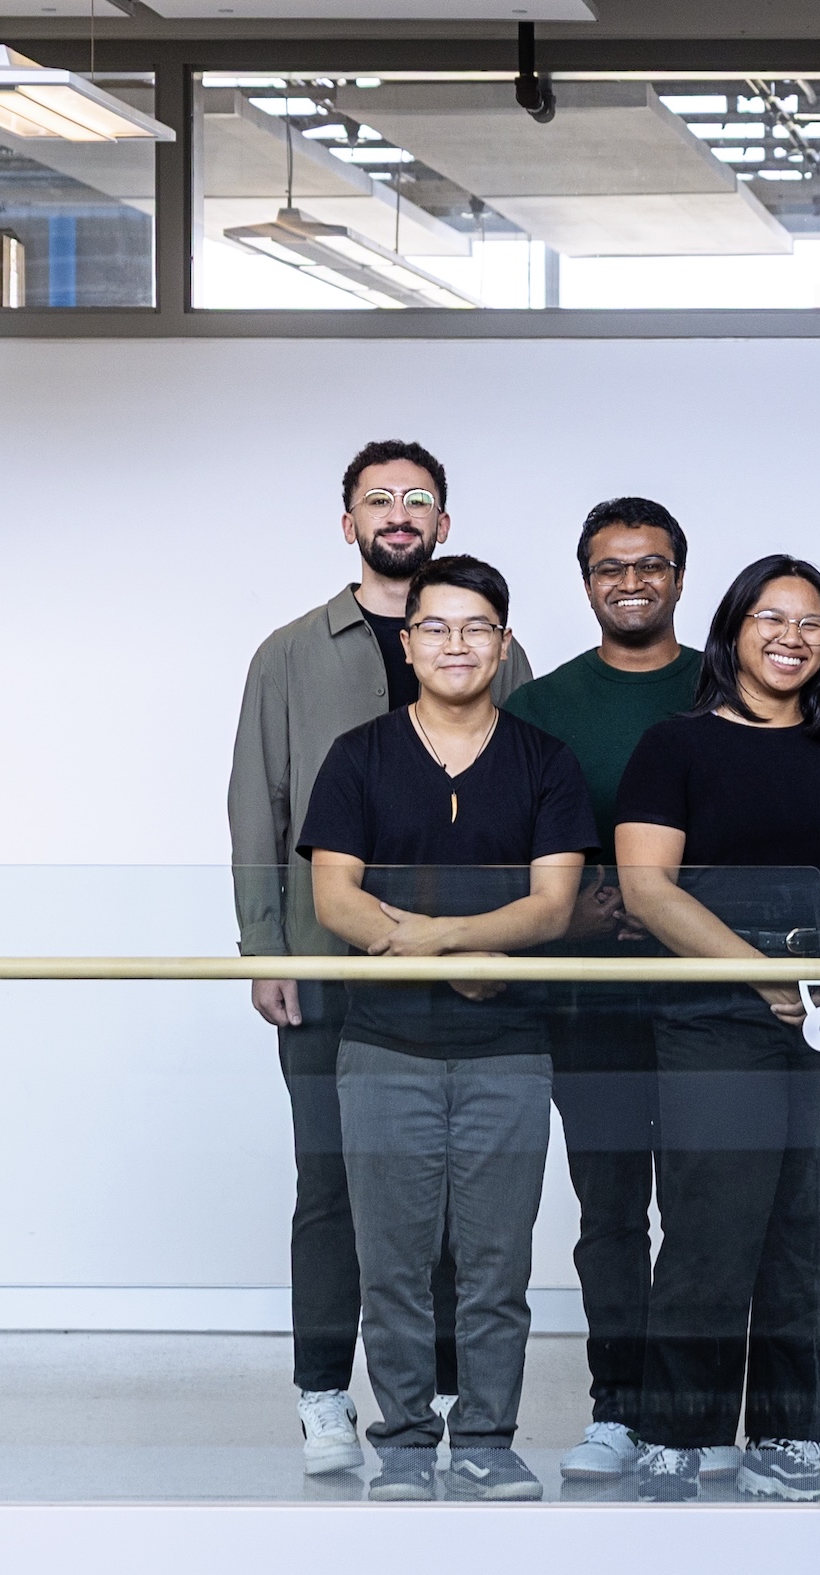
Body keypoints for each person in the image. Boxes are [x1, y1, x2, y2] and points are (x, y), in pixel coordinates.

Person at [229, 440, 532, 1478]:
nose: (399, 513)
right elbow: (254, 808)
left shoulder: (494, 645)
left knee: (451, 1192)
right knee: (333, 1184)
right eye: (378, 499)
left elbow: (523, 805)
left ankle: (443, 1395)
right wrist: (263, 947)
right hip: (325, 964)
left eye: (419, 500)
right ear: (347, 518)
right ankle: (324, 1394)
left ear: (444, 522)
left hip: (472, 972)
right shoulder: (289, 653)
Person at [615, 555, 820, 1505]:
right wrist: (762, 976)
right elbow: (646, 886)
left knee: (810, 1232)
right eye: (771, 619)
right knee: (710, 1220)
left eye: (813, 623)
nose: (792, 637)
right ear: (734, 629)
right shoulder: (676, 745)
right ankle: (677, 1434)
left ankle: (787, 1437)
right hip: (714, 1014)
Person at [298, 555, 594, 1502]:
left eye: (476, 628)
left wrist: (454, 943)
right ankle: (406, 1446)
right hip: (381, 1047)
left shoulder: (544, 759)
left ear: (503, 644)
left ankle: (488, 1441)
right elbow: (334, 895)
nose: (455, 644)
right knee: (391, 1263)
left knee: (495, 1265)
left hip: (509, 1052)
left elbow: (552, 907)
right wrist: (445, 956)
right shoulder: (361, 755)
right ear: (410, 641)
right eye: (435, 627)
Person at [501, 497, 700, 1484]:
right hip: (590, 1001)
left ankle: (693, 1413)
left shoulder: (725, 682)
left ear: (678, 575)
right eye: (611, 567)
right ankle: (621, 1406)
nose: (632, 581)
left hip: (716, 998)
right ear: (587, 581)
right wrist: (582, 910)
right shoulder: (540, 708)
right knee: (613, 1212)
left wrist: (671, 905)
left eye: (650, 564)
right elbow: (511, 840)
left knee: (709, 1208)